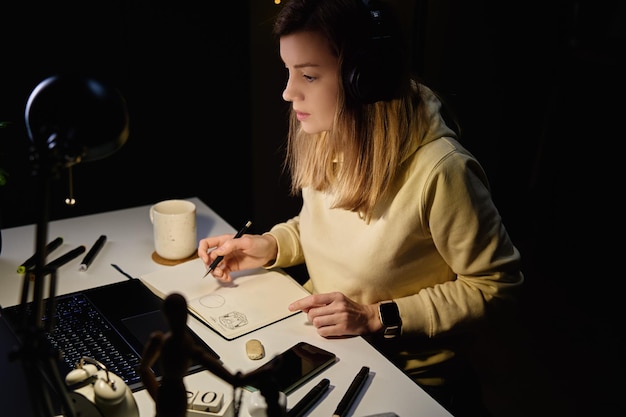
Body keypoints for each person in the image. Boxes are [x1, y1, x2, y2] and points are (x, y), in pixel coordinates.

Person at [198, 0, 524, 415]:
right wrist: (271, 245)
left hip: (405, 381)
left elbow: (497, 285)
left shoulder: (443, 172)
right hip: (327, 350)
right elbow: (321, 223)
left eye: (309, 75)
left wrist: (375, 317)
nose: (287, 91)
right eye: (288, 70)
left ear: (363, 80)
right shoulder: (327, 131)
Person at [140, 293, 285, 417]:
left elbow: (143, 370)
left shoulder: (160, 340)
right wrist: (262, 372)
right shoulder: (184, 345)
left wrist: (158, 396)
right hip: (175, 395)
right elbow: (232, 379)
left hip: (168, 393)